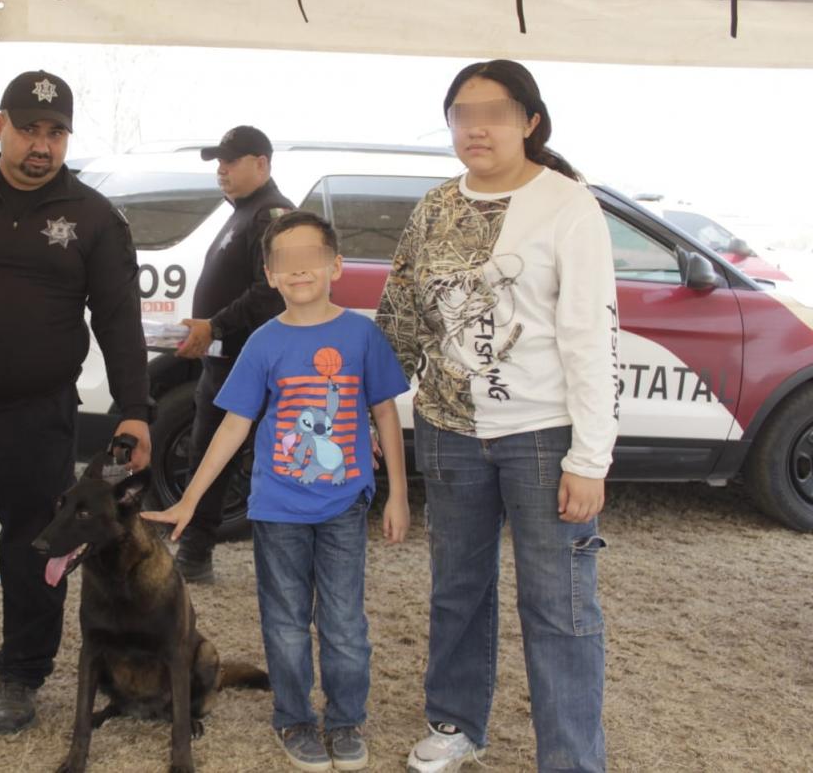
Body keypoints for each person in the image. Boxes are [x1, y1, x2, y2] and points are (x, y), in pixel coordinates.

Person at [376, 59, 617, 773]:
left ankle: (570, 759)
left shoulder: (568, 205)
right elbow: (401, 315)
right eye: (462, 114)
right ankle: (455, 724)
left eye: (495, 113)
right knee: (457, 590)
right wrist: (368, 410)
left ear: (530, 122)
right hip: (448, 431)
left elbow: (591, 335)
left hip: (543, 436)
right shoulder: (433, 208)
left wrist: (590, 458)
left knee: (559, 605)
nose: (476, 128)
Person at [145, 210, 411, 773]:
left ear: (335, 265)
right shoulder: (263, 343)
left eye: (311, 258)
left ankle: (345, 720)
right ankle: (293, 718)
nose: (299, 270)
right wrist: (190, 499)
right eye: (286, 262)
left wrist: (399, 495)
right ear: (269, 274)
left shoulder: (362, 335)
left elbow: (385, 411)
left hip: (344, 504)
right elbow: (233, 425)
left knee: (344, 622)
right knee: (286, 622)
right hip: (277, 509)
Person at [0, 70, 152, 736]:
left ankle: (22, 675)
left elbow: (119, 318)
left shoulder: (93, 215)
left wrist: (135, 407)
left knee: (36, 550)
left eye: (56, 132)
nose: (42, 144)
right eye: (29, 128)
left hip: (37, 415)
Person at [173, 125, 294, 583]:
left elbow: (271, 291)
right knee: (207, 456)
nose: (221, 170)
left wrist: (216, 325)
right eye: (218, 162)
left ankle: (211, 555)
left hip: (253, 364)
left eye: (230, 161)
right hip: (226, 362)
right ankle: (193, 553)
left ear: (261, 163)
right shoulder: (243, 212)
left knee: (257, 463)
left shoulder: (271, 215)